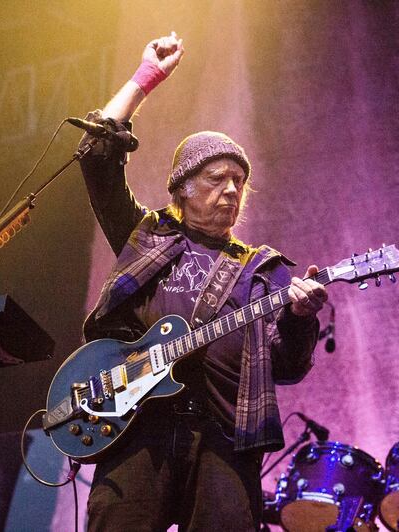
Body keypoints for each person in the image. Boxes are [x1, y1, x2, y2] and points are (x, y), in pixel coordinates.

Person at [77, 32, 327, 530]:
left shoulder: (263, 269)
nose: (232, 189)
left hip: (225, 440)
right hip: (139, 427)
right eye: (217, 178)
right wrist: (145, 78)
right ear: (182, 188)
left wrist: (300, 321)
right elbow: (96, 156)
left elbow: (288, 366)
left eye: (239, 180)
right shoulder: (147, 236)